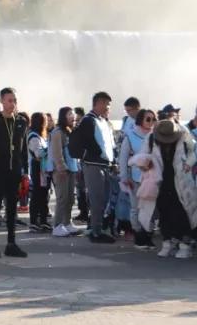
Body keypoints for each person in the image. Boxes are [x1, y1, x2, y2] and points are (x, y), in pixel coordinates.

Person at [139, 120, 197, 258]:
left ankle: (185, 243)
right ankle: (168, 241)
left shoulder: (184, 135)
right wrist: (143, 164)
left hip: (181, 179)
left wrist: (188, 164)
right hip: (159, 179)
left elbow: (193, 152)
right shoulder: (152, 137)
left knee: (183, 211)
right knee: (164, 210)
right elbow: (143, 155)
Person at [0, 88, 28, 258]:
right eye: (9, 100)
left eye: (15, 100)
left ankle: (11, 243)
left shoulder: (21, 121)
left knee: (12, 209)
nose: (13, 103)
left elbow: (23, 149)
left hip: (14, 171)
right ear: (2, 101)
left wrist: (25, 171)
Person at [71, 91, 116, 243]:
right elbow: (78, 143)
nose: (108, 107)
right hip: (94, 165)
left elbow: (108, 144)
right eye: (106, 104)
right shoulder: (88, 121)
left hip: (105, 164)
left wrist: (112, 161)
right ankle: (96, 232)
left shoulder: (104, 121)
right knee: (97, 198)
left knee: (104, 198)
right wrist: (91, 156)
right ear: (98, 103)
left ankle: (98, 227)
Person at [119, 108, 155, 248]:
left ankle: (148, 234)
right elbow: (122, 159)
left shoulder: (155, 136)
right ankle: (138, 234)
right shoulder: (130, 136)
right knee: (136, 207)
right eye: (148, 119)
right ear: (140, 120)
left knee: (150, 208)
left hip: (152, 178)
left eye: (153, 119)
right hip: (135, 178)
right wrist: (123, 177)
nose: (151, 122)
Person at [49, 107, 82, 237]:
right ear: (63, 116)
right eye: (69, 114)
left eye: (73, 114)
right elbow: (57, 152)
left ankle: (67, 223)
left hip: (72, 169)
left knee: (70, 199)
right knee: (62, 198)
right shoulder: (58, 132)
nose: (72, 117)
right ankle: (57, 225)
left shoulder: (69, 131)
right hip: (62, 171)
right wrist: (61, 167)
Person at [26, 113, 51, 232]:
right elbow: (38, 154)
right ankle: (33, 222)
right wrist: (50, 148)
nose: (46, 123)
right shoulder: (34, 137)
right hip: (38, 169)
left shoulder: (40, 136)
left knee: (43, 195)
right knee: (37, 195)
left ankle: (43, 221)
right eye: (45, 120)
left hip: (43, 169)